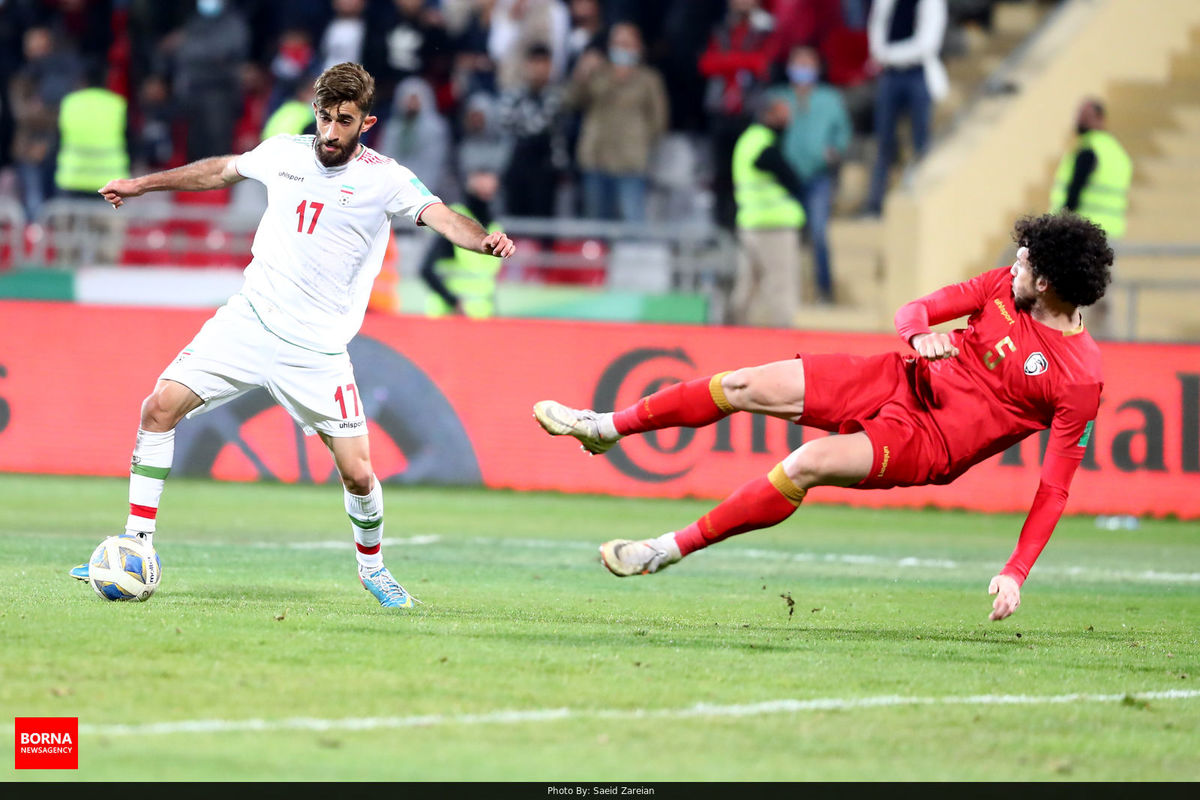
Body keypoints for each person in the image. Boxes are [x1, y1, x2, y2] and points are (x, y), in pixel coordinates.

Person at [70, 62, 516, 608]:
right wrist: (142, 185)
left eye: (344, 121)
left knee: (357, 474)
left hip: (318, 354)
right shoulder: (283, 152)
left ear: (366, 122)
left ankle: (372, 568)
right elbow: (220, 171)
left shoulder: (387, 178)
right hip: (249, 322)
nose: (330, 132)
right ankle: (136, 546)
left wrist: (483, 240)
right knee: (158, 408)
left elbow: (442, 216)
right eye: (324, 117)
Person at [534, 213, 1112, 622]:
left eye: (1025, 259)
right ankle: (603, 427)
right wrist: (920, 335)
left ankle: (663, 550)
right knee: (742, 383)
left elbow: (1055, 488)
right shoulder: (999, 289)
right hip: (896, 376)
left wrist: (1015, 571)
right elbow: (916, 309)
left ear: (1045, 283)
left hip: (927, 441)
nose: (1013, 260)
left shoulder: (1079, 378)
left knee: (805, 464)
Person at [565, 21, 668, 222]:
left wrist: (640, 142)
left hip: (630, 162)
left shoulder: (649, 79)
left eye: (627, 43)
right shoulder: (597, 73)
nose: (621, 48)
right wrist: (581, 73)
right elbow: (571, 102)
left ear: (639, 46)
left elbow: (658, 120)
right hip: (596, 158)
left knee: (632, 222)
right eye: (617, 43)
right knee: (596, 225)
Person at [779, 45, 851, 304]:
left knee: (819, 233)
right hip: (785, 178)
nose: (802, 70)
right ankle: (790, 292)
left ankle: (824, 290)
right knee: (786, 237)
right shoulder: (778, 97)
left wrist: (835, 150)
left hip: (818, 177)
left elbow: (843, 132)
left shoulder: (830, 98)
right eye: (797, 64)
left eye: (807, 64)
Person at [863, 0, 947, 216]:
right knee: (883, 142)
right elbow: (876, 26)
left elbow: (927, 44)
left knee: (921, 141)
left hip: (917, 73)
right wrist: (882, 54)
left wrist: (887, 55)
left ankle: (924, 196)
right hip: (890, 76)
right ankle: (875, 203)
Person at [730, 93, 807, 326]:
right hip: (772, 226)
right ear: (767, 114)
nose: (787, 118)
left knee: (747, 286)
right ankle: (785, 342)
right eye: (781, 112)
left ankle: (730, 333)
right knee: (781, 286)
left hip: (751, 224)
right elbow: (789, 176)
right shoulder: (761, 143)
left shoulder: (749, 140)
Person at [419, 168, 502, 317]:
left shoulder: (495, 227)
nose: (487, 186)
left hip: (482, 317)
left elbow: (487, 280)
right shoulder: (455, 223)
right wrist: (453, 302)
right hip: (450, 317)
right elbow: (426, 270)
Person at [496, 43, 566, 220]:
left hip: (546, 167)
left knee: (543, 220)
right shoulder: (513, 94)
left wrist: (524, 123)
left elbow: (540, 125)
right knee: (515, 218)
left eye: (544, 64)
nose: (539, 70)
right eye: (535, 63)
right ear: (526, 66)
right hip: (518, 162)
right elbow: (505, 121)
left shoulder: (556, 97)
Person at [1049, 98, 1132, 241]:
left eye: (1086, 116)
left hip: (1082, 232)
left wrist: (1059, 224)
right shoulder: (1117, 152)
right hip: (1109, 231)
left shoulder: (1089, 149)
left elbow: (1074, 191)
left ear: (1100, 119)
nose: (1080, 121)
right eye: (1079, 116)